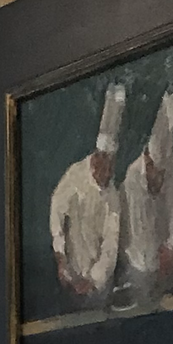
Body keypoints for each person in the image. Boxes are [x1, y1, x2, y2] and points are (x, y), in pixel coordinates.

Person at [48, 82, 126, 305]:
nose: (108, 174)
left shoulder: (113, 197)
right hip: (71, 272)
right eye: (105, 168)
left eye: (111, 169)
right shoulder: (75, 176)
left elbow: (111, 245)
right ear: (96, 160)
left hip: (99, 284)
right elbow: (56, 211)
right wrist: (61, 257)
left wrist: (93, 280)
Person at [122, 87, 173, 304]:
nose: (159, 178)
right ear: (147, 160)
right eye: (155, 171)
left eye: (162, 173)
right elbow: (136, 236)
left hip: (167, 264)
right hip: (138, 266)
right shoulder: (132, 178)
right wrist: (154, 263)